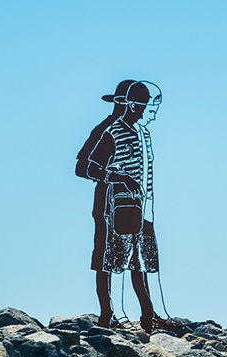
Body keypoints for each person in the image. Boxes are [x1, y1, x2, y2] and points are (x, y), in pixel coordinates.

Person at [77, 80, 163, 332]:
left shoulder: (143, 134)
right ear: (135, 106)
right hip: (113, 208)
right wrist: (119, 177)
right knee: (111, 260)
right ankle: (111, 315)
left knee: (141, 261)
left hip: (142, 209)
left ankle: (149, 314)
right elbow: (85, 167)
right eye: (150, 108)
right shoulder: (110, 132)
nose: (154, 115)